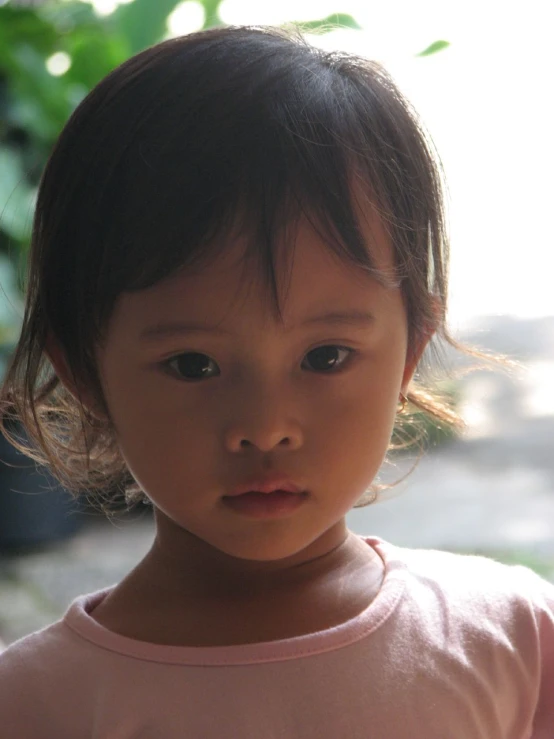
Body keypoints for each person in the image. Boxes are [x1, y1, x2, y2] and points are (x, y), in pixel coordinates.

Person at [0, 24, 552, 738]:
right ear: (83, 373)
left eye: (325, 355)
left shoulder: (515, 643)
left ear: (410, 349)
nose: (266, 424)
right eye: (193, 364)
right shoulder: (39, 707)